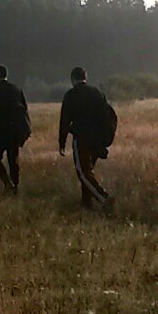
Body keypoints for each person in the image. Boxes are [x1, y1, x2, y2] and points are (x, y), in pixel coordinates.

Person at [57, 66, 114, 212]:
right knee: (88, 172)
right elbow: (107, 116)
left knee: (83, 173)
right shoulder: (97, 93)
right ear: (86, 77)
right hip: (97, 139)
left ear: (72, 79)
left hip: (81, 138)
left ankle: (103, 198)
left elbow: (65, 120)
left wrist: (61, 142)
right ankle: (86, 204)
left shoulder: (70, 95)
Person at [0, 65, 30, 194]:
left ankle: (7, 183)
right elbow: (25, 111)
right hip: (14, 131)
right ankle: (16, 187)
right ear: (7, 75)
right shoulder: (17, 90)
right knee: (13, 160)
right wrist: (25, 130)